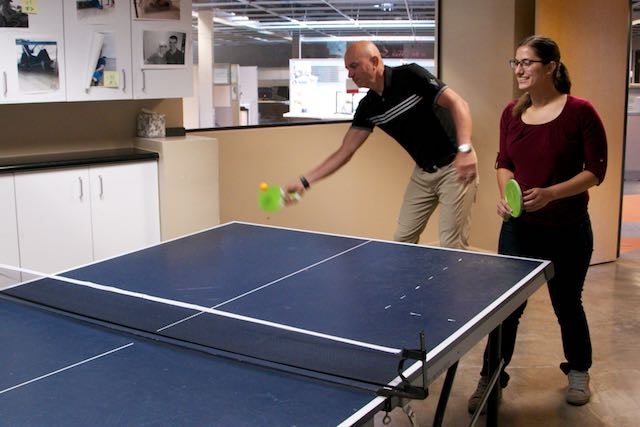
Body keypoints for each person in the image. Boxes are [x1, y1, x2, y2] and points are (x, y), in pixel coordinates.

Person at [467, 35, 607, 414]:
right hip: (519, 229)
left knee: (567, 304)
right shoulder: (511, 113)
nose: (519, 70)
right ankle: (491, 377)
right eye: (515, 63)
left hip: (569, 228)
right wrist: (507, 196)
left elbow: (596, 171)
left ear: (551, 67)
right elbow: (503, 162)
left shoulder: (581, 112)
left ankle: (579, 371)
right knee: (506, 310)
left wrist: (551, 193)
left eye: (527, 62)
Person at [284, 41, 478, 249]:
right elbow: (345, 151)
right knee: (402, 241)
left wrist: (465, 149)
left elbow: (459, 104)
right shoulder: (368, 107)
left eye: (354, 66)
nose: (350, 74)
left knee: (451, 245)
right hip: (423, 173)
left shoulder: (411, 76)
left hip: (454, 168)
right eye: (348, 68)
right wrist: (305, 181)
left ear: (375, 62)